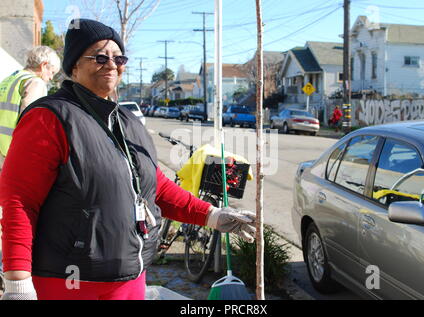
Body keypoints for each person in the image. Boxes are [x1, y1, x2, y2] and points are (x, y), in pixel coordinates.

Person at [0, 19, 256, 300]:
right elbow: (19, 203)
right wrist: (18, 282)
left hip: (130, 277)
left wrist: (212, 215)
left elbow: (154, 188)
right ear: (74, 65)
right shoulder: (49, 117)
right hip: (69, 280)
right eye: (99, 57)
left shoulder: (127, 121)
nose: (111, 64)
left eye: (118, 57)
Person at [0, 46, 60, 168]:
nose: (51, 78)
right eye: (52, 72)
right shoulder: (36, 83)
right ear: (44, 65)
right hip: (11, 154)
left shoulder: (11, 79)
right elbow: (31, 125)